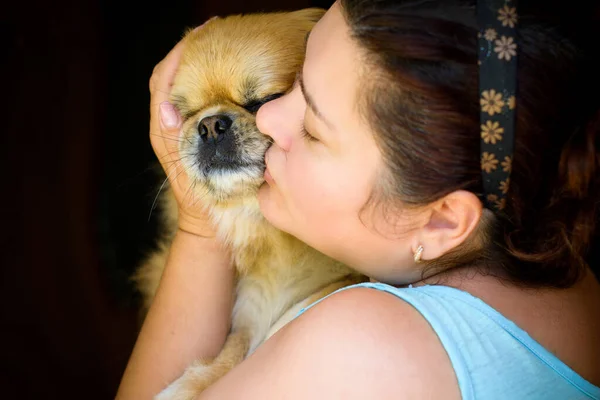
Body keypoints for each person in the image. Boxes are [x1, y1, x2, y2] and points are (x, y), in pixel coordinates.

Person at [116, 0, 600, 398]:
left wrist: (200, 230)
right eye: (294, 87)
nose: (269, 121)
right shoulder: (566, 277)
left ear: (440, 222)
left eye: (311, 128)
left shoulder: (362, 345)